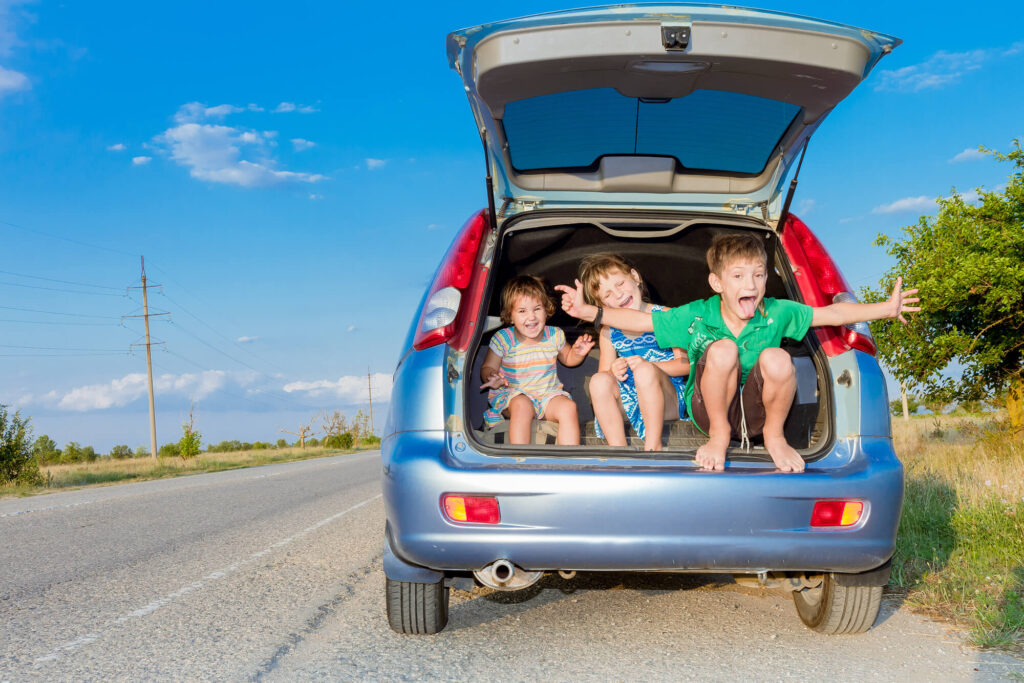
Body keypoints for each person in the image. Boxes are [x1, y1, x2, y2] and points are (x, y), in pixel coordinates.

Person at [557, 234, 920, 472]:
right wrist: (588, 313)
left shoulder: (780, 311)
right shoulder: (697, 314)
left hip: (758, 412)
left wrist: (884, 309)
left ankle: (776, 438)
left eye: (759, 276)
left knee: (779, 358)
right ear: (717, 284)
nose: (751, 285)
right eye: (738, 277)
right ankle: (718, 437)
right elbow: (640, 322)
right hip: (709, 411)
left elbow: (835, 313)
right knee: (724, 348)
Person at [577, 253, 690, 451]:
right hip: (630, 401)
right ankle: (618, 451)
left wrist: (649, 367)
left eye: (620, 284)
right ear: (603, 306)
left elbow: (686, 364)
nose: (618, 294)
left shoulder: (665, 316)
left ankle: (653, 447)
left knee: (645, 372)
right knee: (598, 381)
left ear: (635, 277)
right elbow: (605, 373)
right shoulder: (608, 330)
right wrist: (615, 370)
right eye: (608, 294)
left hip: (667, 400)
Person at [481, 274, 595, 445]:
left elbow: (569, 359)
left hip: (547, 395)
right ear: (510, 316)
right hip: (513, 396)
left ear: (546, 309)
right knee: (523, 406)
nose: (531, 317)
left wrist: (578, 353)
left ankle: (569, 461)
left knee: (568, 407)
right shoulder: (504, 338)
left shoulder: (554, 335)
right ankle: (519, 458)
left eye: (537, 309)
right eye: (522, 311)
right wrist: (492, 376)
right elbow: (487, 367)